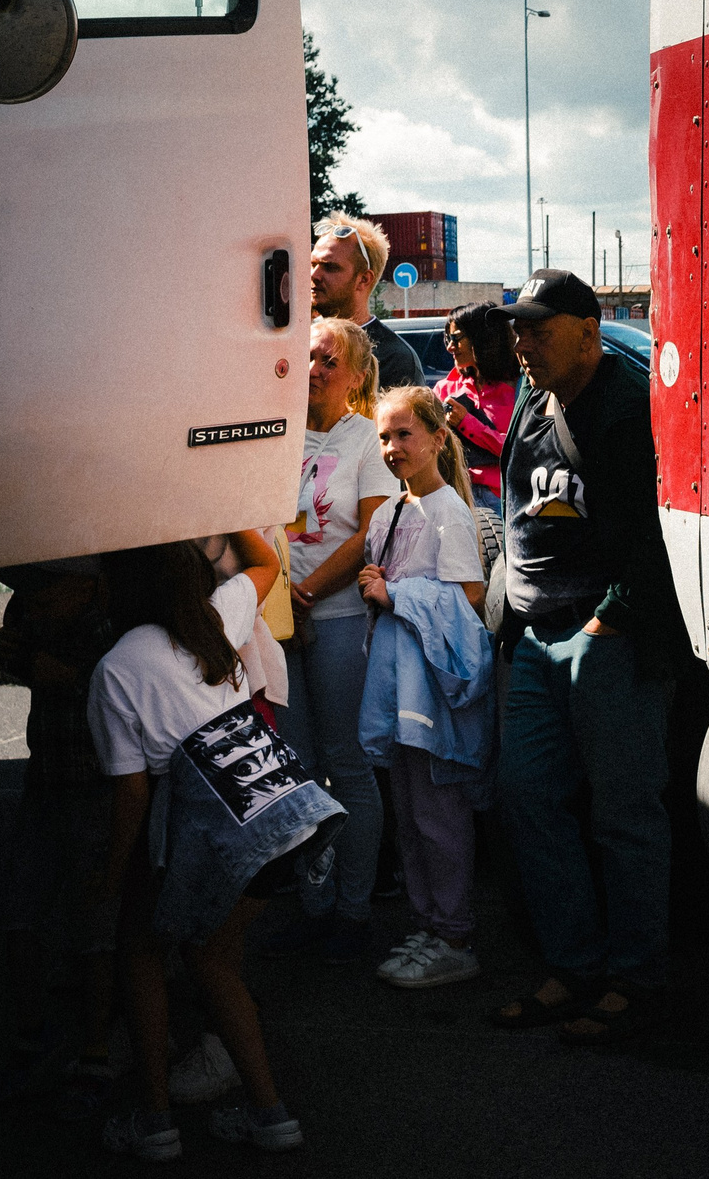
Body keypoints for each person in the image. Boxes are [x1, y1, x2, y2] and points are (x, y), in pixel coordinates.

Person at [90, 531, 334, 1160]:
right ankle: (270, 1114)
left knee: (141, 952)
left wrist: (111, 884)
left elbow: (133, 800)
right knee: (215, 962)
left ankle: (156, 1122)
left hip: (207, 838)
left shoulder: (115, 668)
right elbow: (266, 561)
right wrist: (223, 501)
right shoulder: (214, 620)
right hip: (278, 820)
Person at [486, 269, 683, 1044]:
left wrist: (611, 621)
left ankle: (636, 980)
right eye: (519, 329)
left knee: (624, 815)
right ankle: (572, 966)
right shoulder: (535, 402)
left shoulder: (629, 403)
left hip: (605, 635)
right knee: (529, 799)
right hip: (535, 636)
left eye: (538, 328)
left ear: (587, 329)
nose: (522, 343)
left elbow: (653, 528)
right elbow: (514, 504)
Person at [264, 316, 398, 963]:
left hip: (340, 618)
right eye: (307, 356)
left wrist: (308, 588)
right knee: (295, 769)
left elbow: (372, 531)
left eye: (328, 358)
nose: (313, 368)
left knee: (346, 765)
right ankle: (312, 905)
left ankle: (352, 910)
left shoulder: (366, 439)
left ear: (356, 373)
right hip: (279, 625)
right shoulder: (276, 432)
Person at [356, 386, 492, 990]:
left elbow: (469, 597)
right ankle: (429, 921)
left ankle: (455, 933)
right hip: (395, 683)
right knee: (408, 812)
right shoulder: (388, 514)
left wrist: (396, 593)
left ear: (439, 437)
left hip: (431, 687)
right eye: (384, 436)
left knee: (439, 812)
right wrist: (376, 582)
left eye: (404, 434)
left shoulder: (449, 513)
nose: (391, 448)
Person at [0, 556, 120, 1108]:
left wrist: (74, 678)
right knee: (23, 908)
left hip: (97, 784)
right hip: (46, 780)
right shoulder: (36, 617)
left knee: (96, 920)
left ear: (85, 585)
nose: (32, 598)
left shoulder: (110, 630)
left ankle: (97, 1048)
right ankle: (33, 1032)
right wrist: (16, 654)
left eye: (44, 587)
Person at [310, 211, 424, 392]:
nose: (314, 275)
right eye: (313, 264)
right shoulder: (301, 340)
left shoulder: (395, 358)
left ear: (363, 279)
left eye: (330, 267)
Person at [433, 302, 520, 515]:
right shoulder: (445, 389)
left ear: (483, 338)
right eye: (447, 338)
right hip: (454, 496)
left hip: (502, 499)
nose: (449, 347)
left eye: (456, 338)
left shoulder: (517, 391)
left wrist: (467, 423)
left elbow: (519, 450)